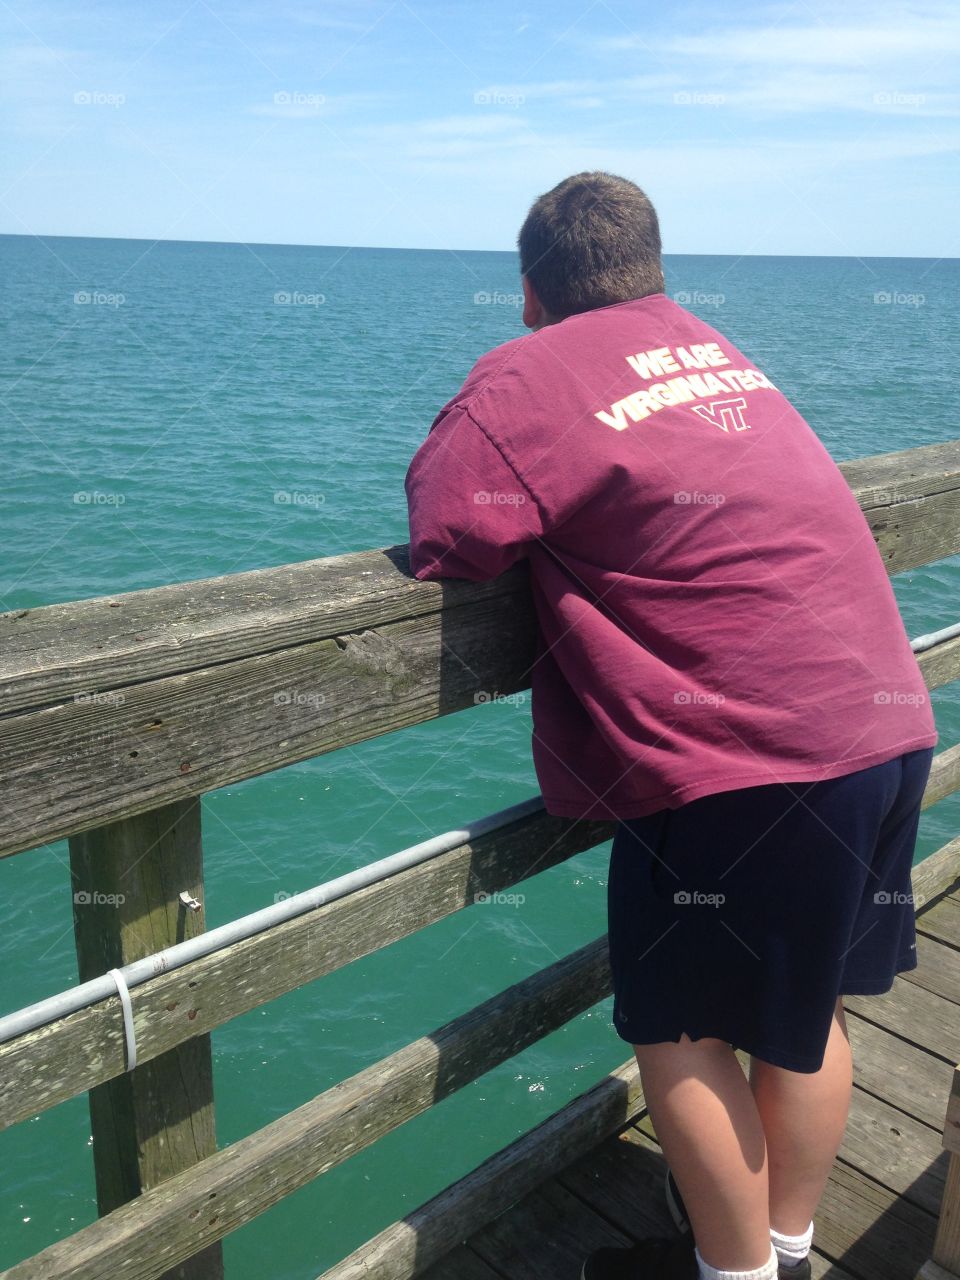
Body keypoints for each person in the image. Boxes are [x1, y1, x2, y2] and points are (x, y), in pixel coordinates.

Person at [403, 172, 937, 1280]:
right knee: (805, 1011)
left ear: (530, 291)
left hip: (749, 763)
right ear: (652, 268)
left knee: (681, 1030)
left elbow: (452, 528)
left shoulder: (530, 369)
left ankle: (734, 1275)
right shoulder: (712, 346)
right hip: (884, 729)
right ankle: (782, 1251)